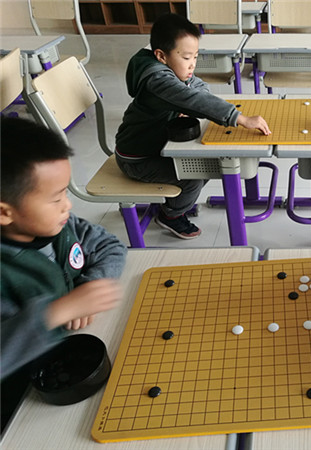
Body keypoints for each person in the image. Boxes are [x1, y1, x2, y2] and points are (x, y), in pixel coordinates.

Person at [1, 118, 126, 424]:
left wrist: (90, 285)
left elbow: (109, 246)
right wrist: (54, 313)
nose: (67, 206)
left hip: (74, 351)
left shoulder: (59, 225)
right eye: (56, 198)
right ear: (5, 212)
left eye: (66, 194)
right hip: (18, 403)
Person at [115, 13, 271, 240]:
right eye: (187, 57)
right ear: (161, 56)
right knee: (194, 175)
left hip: (155, 146)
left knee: (201, 165)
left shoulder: (169, 69)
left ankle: (176, 203)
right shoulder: (158, 80)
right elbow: (194, 99)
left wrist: (187, 100)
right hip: (138, 159)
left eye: (196, 57)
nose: (193, 64)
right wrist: (240, 118)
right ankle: (171, 215)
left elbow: (196, 86)